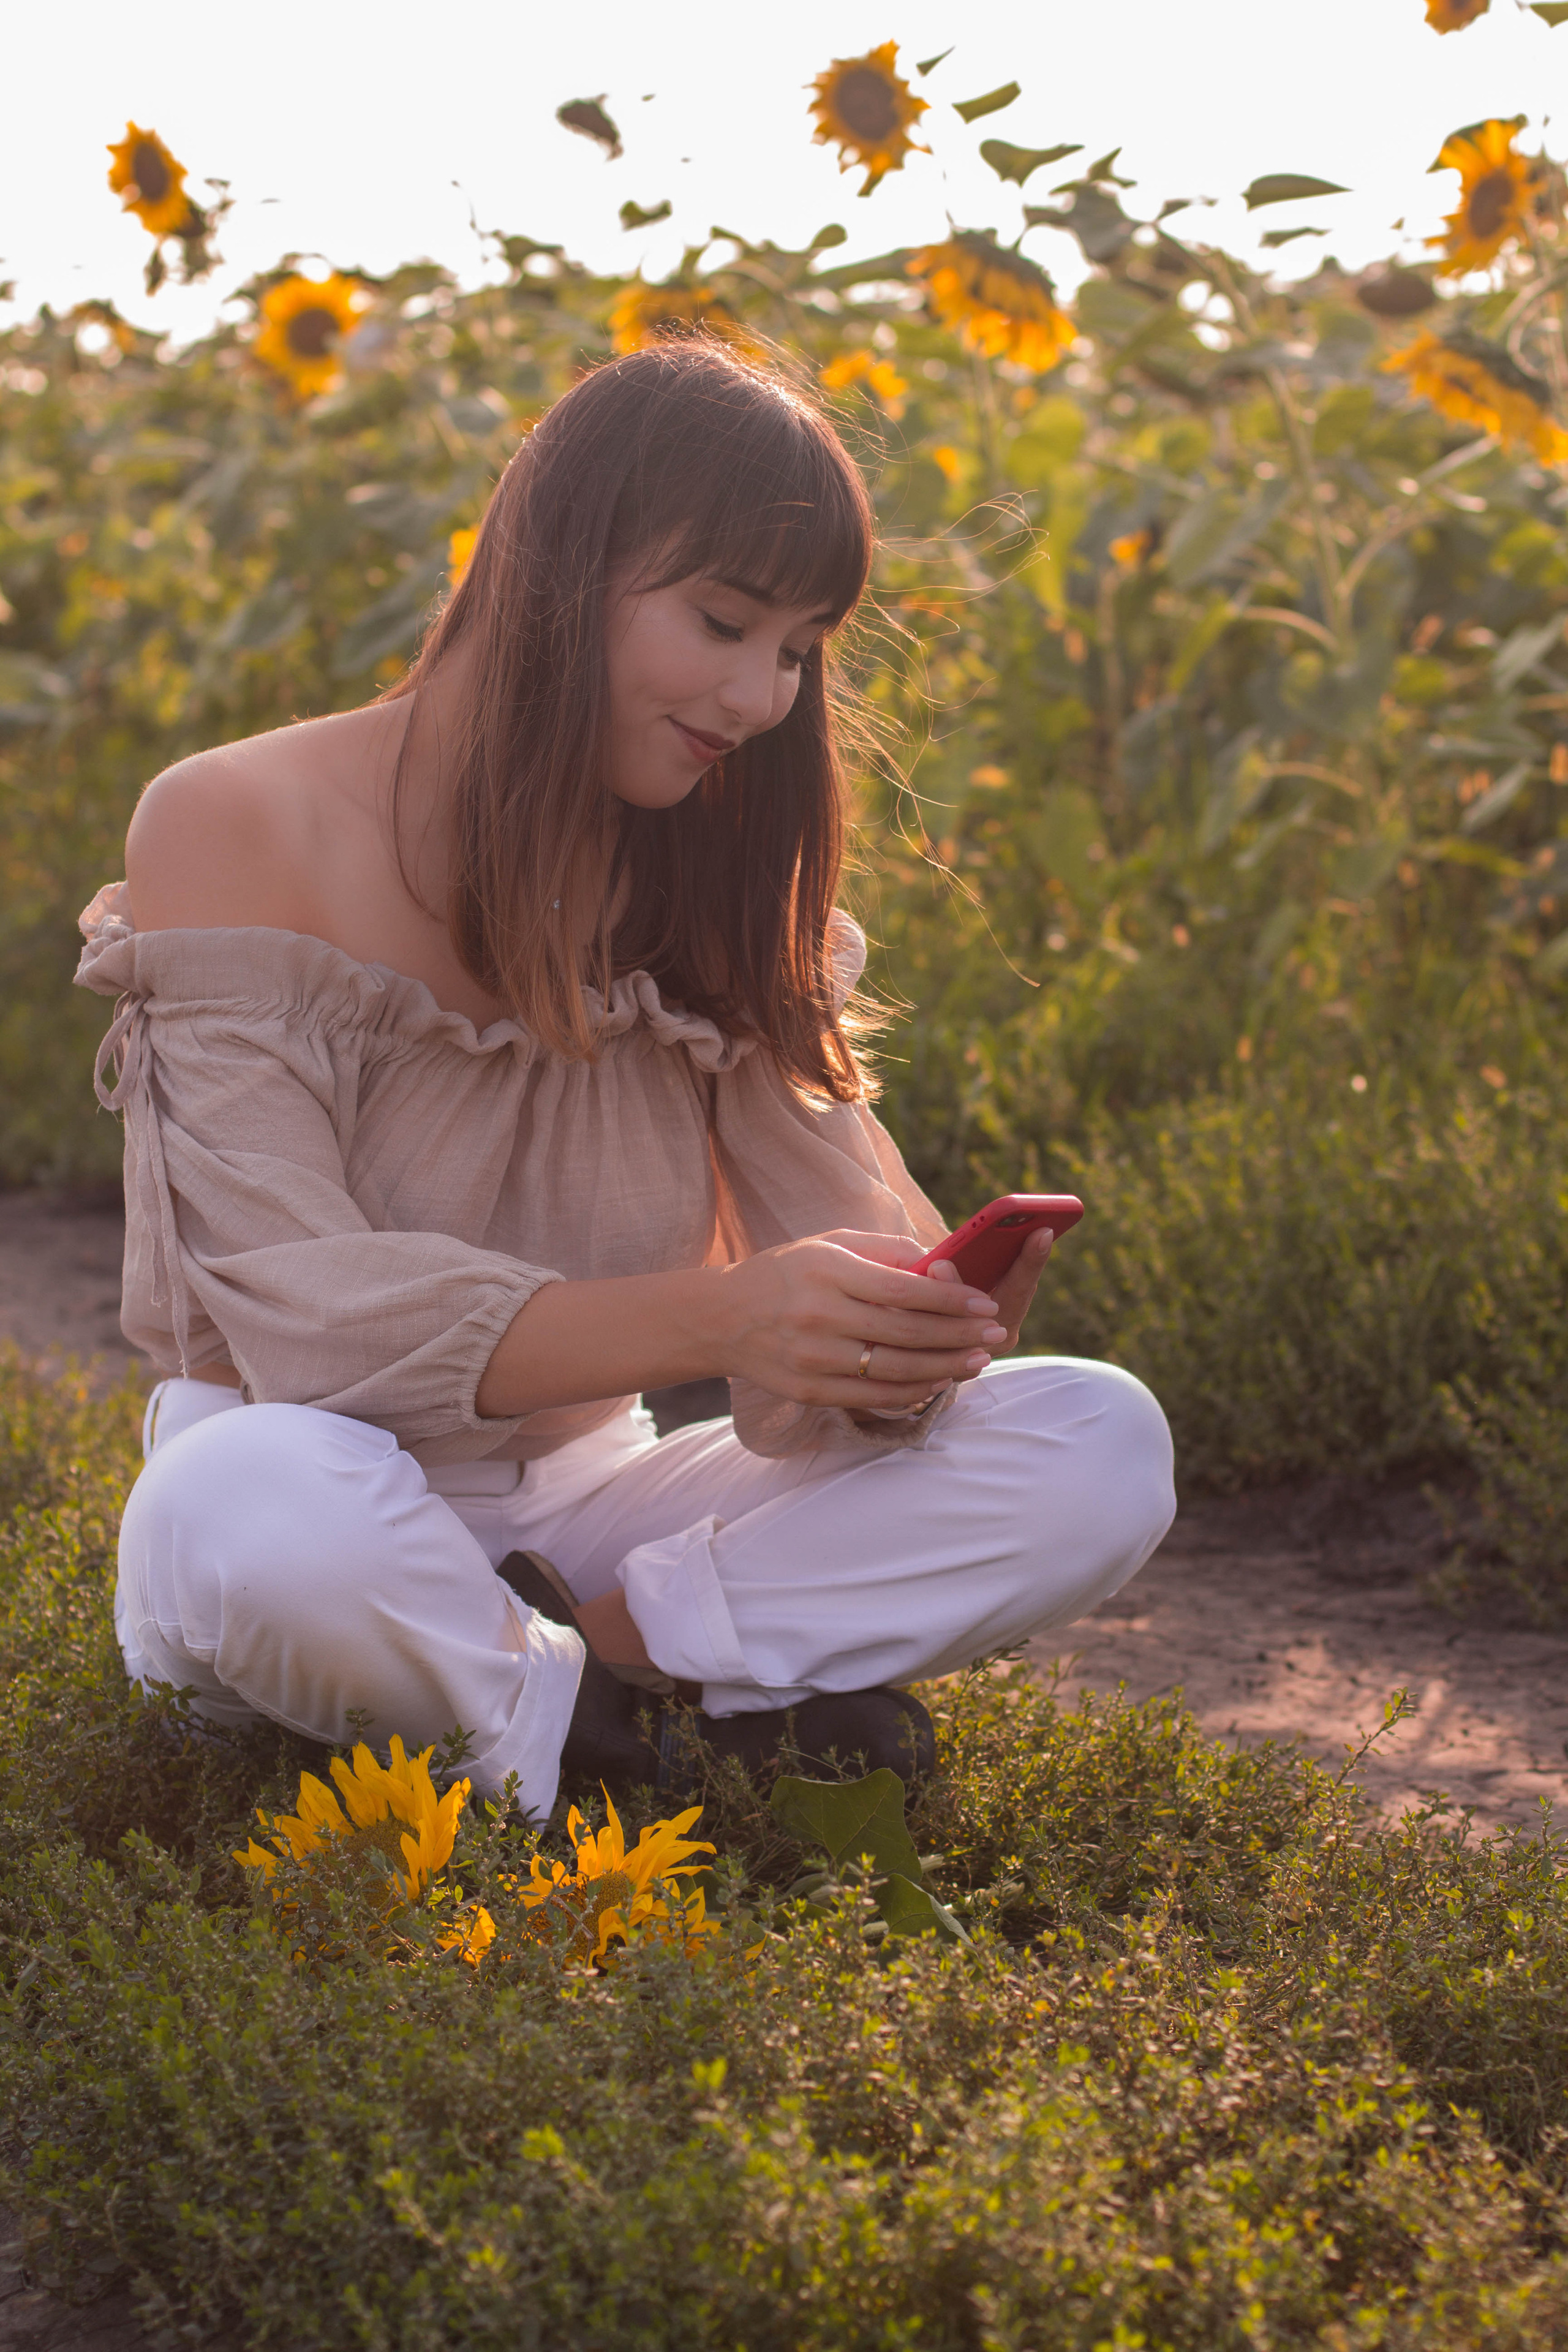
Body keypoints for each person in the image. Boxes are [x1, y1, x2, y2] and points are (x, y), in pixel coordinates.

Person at [77, 341, 1175, 1823]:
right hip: (323, 1496)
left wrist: (892, 1338)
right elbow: (300, 1323)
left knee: (1095, 1443)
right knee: (244, 1510)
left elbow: (817, 1361)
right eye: (722, 621)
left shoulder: (712, 865)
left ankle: (565, 1701)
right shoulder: (237, 818)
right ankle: (667, 1745)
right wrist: (730, 1313)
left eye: (795, 648)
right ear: (554, 567)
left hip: (595, 1514)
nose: (759, 696)